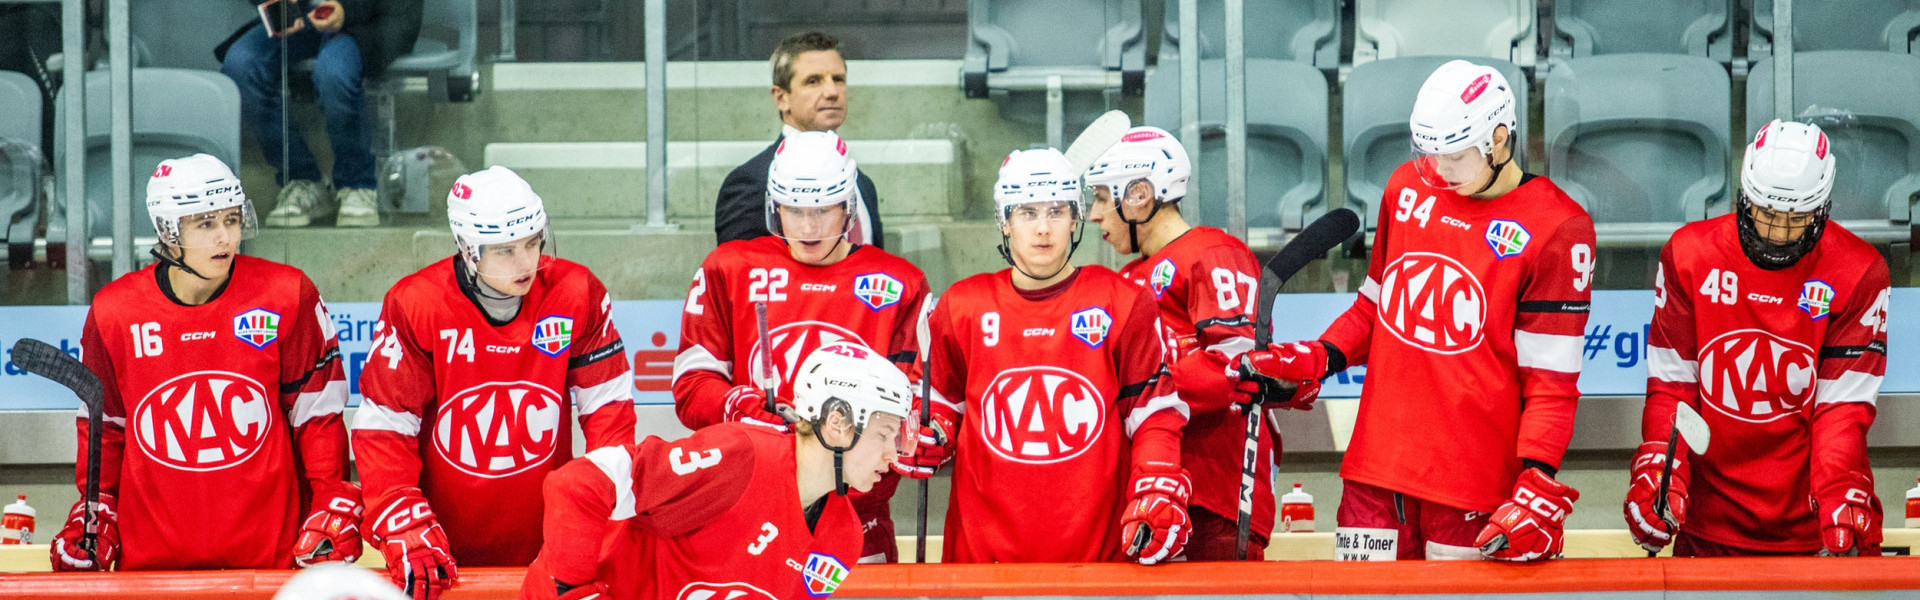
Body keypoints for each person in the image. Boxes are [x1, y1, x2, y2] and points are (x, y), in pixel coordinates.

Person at [1238, 60, 1596, 562]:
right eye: (1428, 155)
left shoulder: (1559, 226)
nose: (1438, 171)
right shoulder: (1406, 187)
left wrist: (1537, 479)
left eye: (1453, 156)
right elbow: (1374, 309)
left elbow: (1551, 381)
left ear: (1498, 138)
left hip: (1475, 489)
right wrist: (1319, 357)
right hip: (1374, 475)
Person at [55, 154, 357, 571]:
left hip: (268, 564)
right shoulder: (115, 311)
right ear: (167, 230)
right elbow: (106, 428)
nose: (225, 238)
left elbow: (317, 416)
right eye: (206, 224)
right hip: (151, 569)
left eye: (232, 220)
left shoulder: (286, 295)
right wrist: (96, 508)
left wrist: (330, 498)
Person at [352, 166, 637, 599]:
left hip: (549, 541)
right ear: (468, 250)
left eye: (532, 242)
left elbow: (610, 420)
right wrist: (402, 517)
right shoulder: (417, 304)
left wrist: (604, 521)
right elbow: (385, 429)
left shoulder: (576, 292)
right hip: (442, 546)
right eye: (505, 251)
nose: (526, 263)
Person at [1627, 120, 1890, 558]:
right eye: (1766, 214)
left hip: (1814, 524)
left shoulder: (1858, 270)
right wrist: (1661, 467)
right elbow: (1672, 387)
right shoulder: (1690, 255)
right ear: (1744, 197)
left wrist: (1840, 492)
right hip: (1708, 522)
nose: (1777, 234)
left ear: (1822, 208)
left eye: (1796, 218)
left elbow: (1841, 410)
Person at [918, 147, 1188, 564]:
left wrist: (1155, 481)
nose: (1043, 229)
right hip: (982, 566)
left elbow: (1155, 413)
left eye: (1056, 211)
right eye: (1027, 213)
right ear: (1004, 222)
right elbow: (938, 405)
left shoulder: (1121, 302)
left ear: (1076, 218)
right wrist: (929, 434)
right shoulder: (962, 307)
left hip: (1095, 567)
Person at [674, 130, 931, 563]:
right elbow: (692, 386)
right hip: (747, 508)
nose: (808, 227)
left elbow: (918, 404)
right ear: (774, 206)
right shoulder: (730, 268)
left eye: (824, 209)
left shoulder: (900, 283)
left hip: (857, 520)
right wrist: (738, 404)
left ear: (848, 206)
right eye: (794, 210)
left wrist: (924, 435)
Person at [1085, 125, 1318, 561]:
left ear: (1137, 195)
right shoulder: (1126, 280)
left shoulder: (1212, 252)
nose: (1095, 214)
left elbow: (1235, 366)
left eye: (1101, 197)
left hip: (1216, 493)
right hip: (1149, 496)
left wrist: (1139, 391)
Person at [524, 341, 914, 600]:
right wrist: (570, 590)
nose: (892, 456)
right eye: (884, 435)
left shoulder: (842, 537)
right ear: (837, 422)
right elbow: (576, 486)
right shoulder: (738, 456)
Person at [217, 0, 423, 228]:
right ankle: (302, 180)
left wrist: (347, 9)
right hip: (304, 15)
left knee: (334, 73)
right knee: (241, 66)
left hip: (367, 20)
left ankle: (357, 185)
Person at [713, 31, 883, 249]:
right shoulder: (752, 182)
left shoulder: (862, 184)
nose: (832, 92)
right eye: (813, 81)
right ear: (781, 98)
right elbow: (739, 273)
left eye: (838, 79)